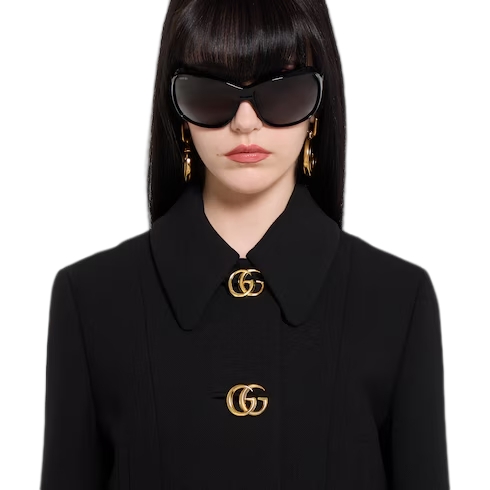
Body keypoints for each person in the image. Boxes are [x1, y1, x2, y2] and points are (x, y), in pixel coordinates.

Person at [40, 0, 451, 489]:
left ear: (318, 107)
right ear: (177, 108)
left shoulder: (397, 300)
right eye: (210, 93)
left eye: (283, 92)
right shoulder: (90, 300)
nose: (245, 122)